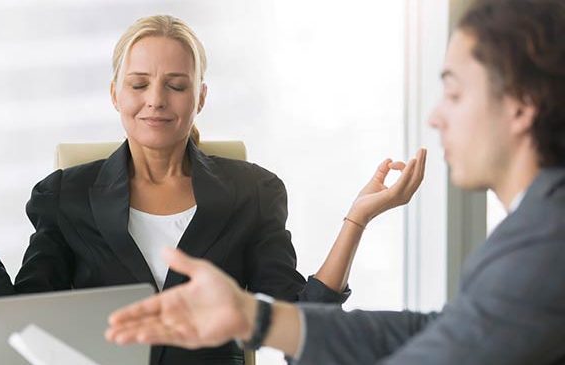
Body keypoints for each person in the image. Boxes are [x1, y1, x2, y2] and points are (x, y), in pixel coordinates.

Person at [0, 15, 423, 365]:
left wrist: (357, 220)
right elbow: (18, 327)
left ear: (200, 97)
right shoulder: (65, 195)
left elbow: (300, 325)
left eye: (176, 86)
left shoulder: (253, 191)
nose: (156, 100)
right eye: (139, 84)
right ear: (115, 94)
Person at [105, 0, 565, 364]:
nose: (435, 116)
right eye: (139, 85)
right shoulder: (535, 228)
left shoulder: (546, 243)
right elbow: (440, 331)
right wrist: (254, 317)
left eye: (455, 93)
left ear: (521, 107)